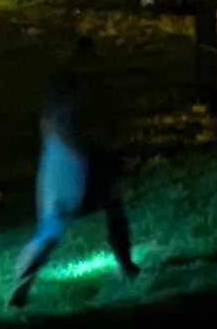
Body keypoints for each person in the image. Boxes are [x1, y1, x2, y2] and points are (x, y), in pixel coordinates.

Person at [9, 41, 140, 309]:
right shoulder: (70, 96)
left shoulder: (59, 96)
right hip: (71, 164)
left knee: (55, 226)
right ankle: (125, 265)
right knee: (105, 207)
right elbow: (76, 132)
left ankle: (23, 282)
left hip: (59, 166)